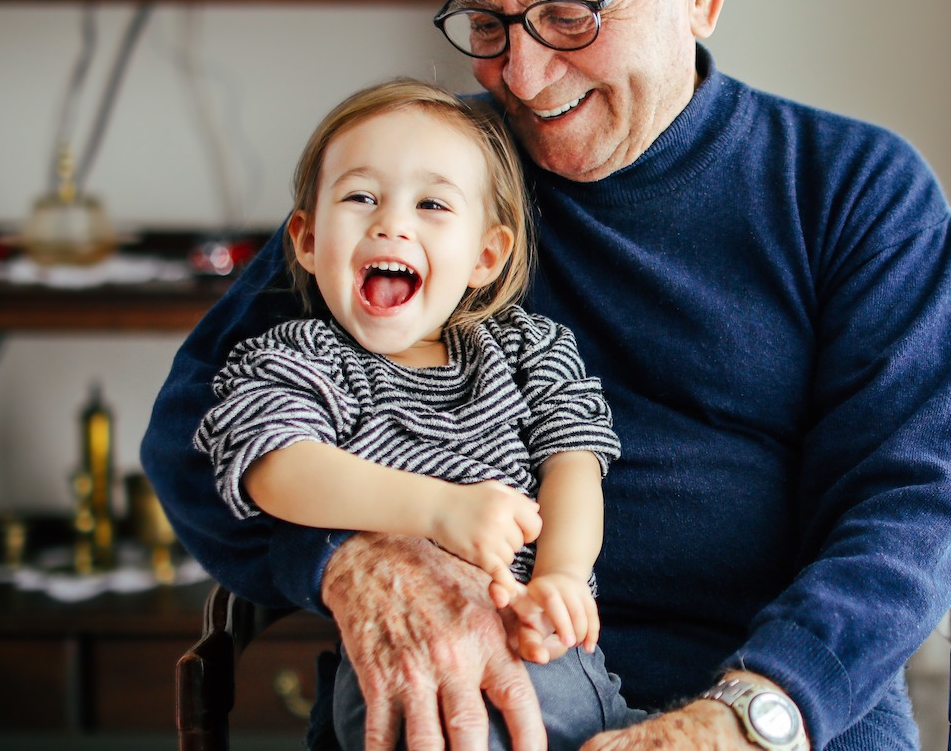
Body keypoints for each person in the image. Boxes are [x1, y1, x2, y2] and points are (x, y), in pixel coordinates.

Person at [142, 0, 951, 751]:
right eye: (487, 24)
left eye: (571, 15)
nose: (524, 79)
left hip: (774, 714)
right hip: (471, 706)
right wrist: (351, 549)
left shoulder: (854, 190)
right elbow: (196, 424)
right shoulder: (425, 181)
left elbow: (907, 512)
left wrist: (740, 722)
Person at [193, 79, 646, 749]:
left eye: (432, 203)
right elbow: (275, 465)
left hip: (552, 654)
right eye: (360, 197)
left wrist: (562, 575)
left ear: (486, 255)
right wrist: (438, 511)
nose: (391, 223)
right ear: (309, 240)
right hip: (403, 671)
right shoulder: (300, 357)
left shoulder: (529, 348)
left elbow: (574, 463)